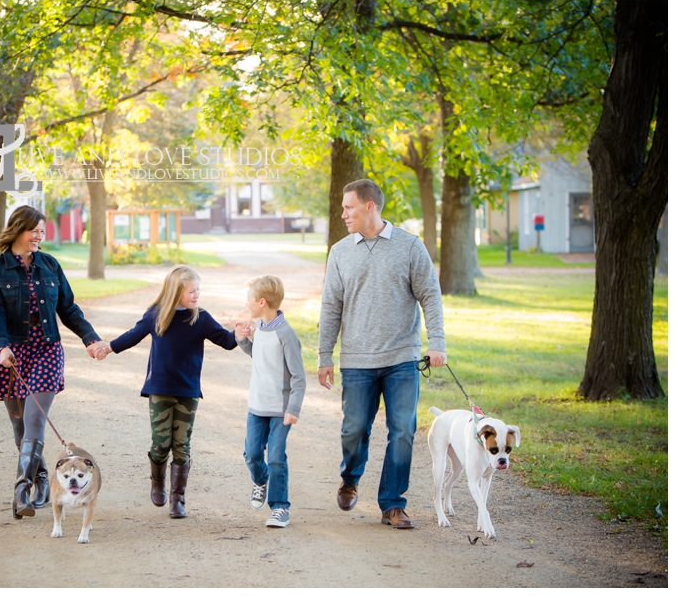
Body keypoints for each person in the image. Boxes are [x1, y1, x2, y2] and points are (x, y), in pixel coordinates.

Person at [318, 179, 447, 529]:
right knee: (354, 429)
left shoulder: (409, 246)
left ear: (369, 206)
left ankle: (393, 503)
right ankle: (350, 477)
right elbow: (331, 306)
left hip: (401, 357)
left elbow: (430, 296)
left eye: (349, 208)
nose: (343, 214)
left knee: (403, 429)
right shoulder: (340, 251)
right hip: (358, 360)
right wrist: (324, 355)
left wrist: (437, 342)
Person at [0, 205, 106, 519]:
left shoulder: (49, 266)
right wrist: (1, 347)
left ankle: (21, 491)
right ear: (17, 230)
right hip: (12, 353)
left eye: (43, 231)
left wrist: (90, 338)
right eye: (34, 231)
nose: (39, 236)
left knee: (35, 421)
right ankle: (39, 476)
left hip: (47, 349)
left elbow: (68, 309)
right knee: (19, 428)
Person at [93, 265, 241, 519]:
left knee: (182, 445)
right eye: (192, 291)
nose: (196, 295)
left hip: (188, 390)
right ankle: (158, 481)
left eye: (198, 290)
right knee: (161, 444)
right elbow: (133, 335)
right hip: (160, 389)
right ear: (176, 291)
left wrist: (239, 334)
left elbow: (226, 341)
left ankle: (177, 499)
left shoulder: (200, 317)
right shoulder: (157, 315)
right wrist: (108, 347)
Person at [236, 275, 306, 528]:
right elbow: (259, 357)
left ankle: (280, 507)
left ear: (262, 302)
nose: (247, 303)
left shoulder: (286, 334)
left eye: (249, 300)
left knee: (276, 456)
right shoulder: (262, 329)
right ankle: (261, 479)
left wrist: (293, 409)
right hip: (257, 406)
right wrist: (243, 340)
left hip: (280, 410)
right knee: (252, 455)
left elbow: (298, 376)